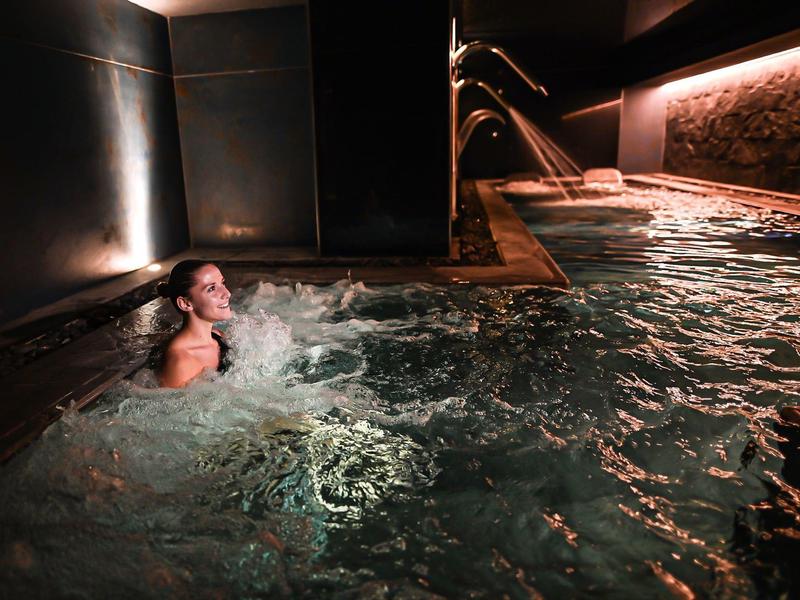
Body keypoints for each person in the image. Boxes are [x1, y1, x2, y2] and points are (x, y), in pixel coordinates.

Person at [155, 260, 233, 388]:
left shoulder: (217, 336)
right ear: (185, 303)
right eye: (211, 289)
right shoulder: (180, 362)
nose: (227, 293)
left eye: (222, 283)